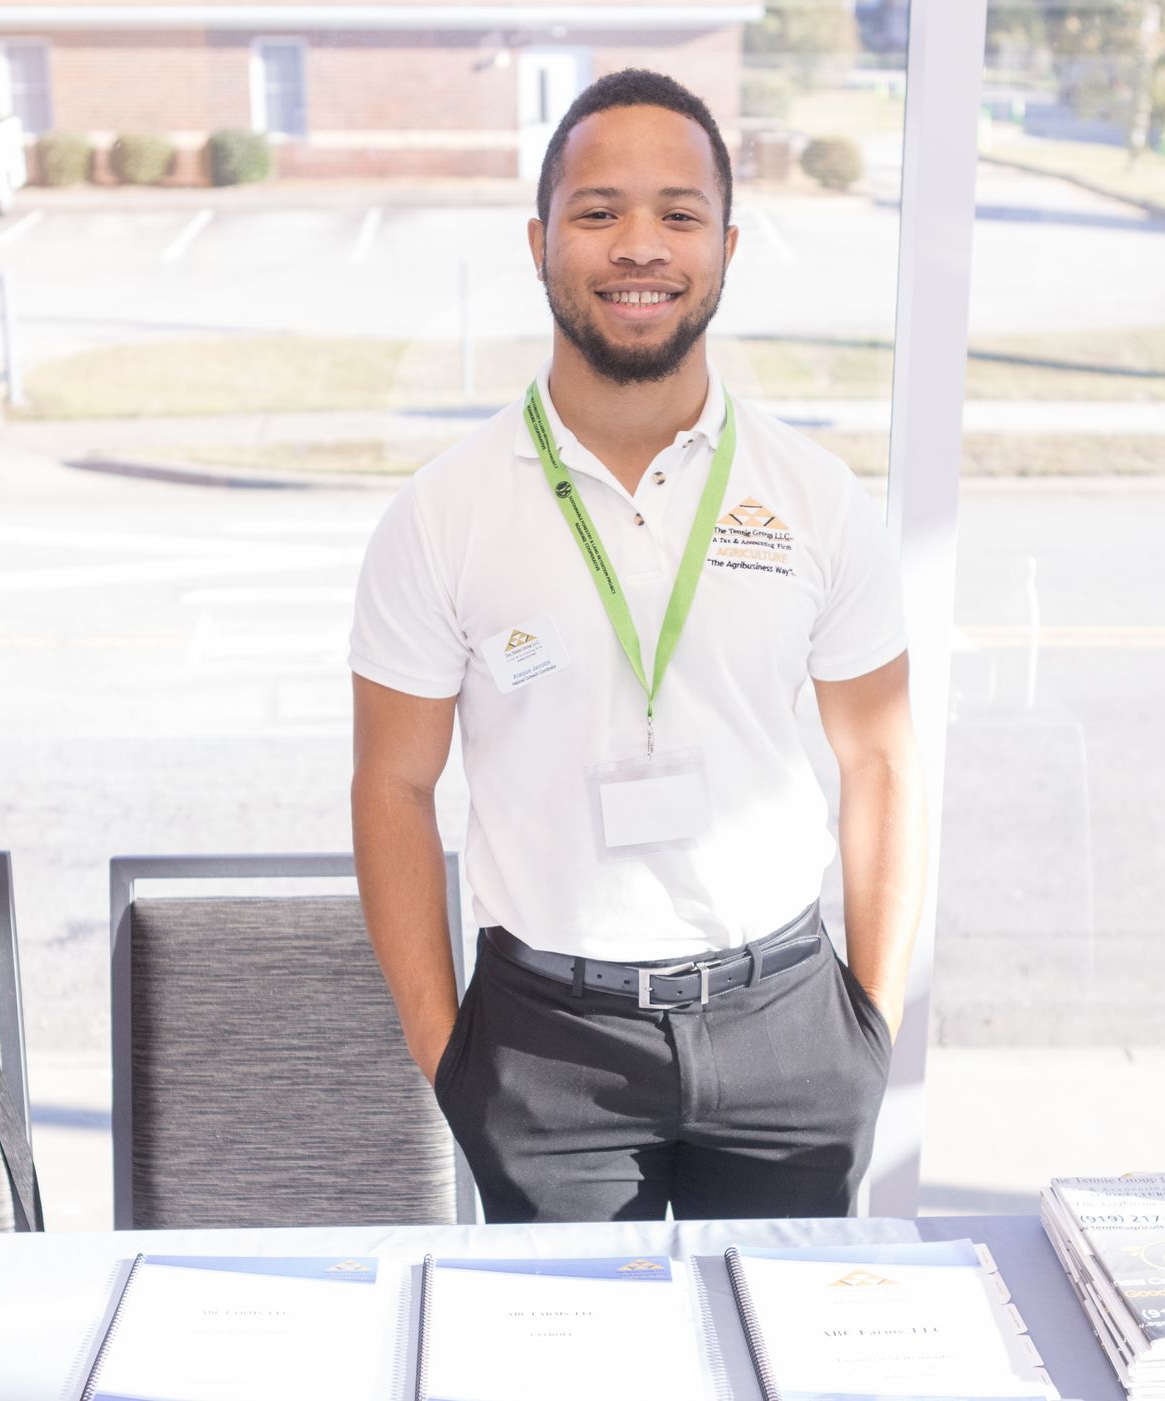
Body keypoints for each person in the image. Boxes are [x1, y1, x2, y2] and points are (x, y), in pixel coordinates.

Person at [349, 68, 925, 1223]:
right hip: (547, 1048)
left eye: (679, 213)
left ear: (726, 244)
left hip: (790, 1032)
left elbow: (882, 764)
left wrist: (870, 1022)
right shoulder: (443, 512)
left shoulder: (816, 500)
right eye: (599, 211)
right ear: (540, 240)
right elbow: (394, 784)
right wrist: (447, 1050)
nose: (639, 247)